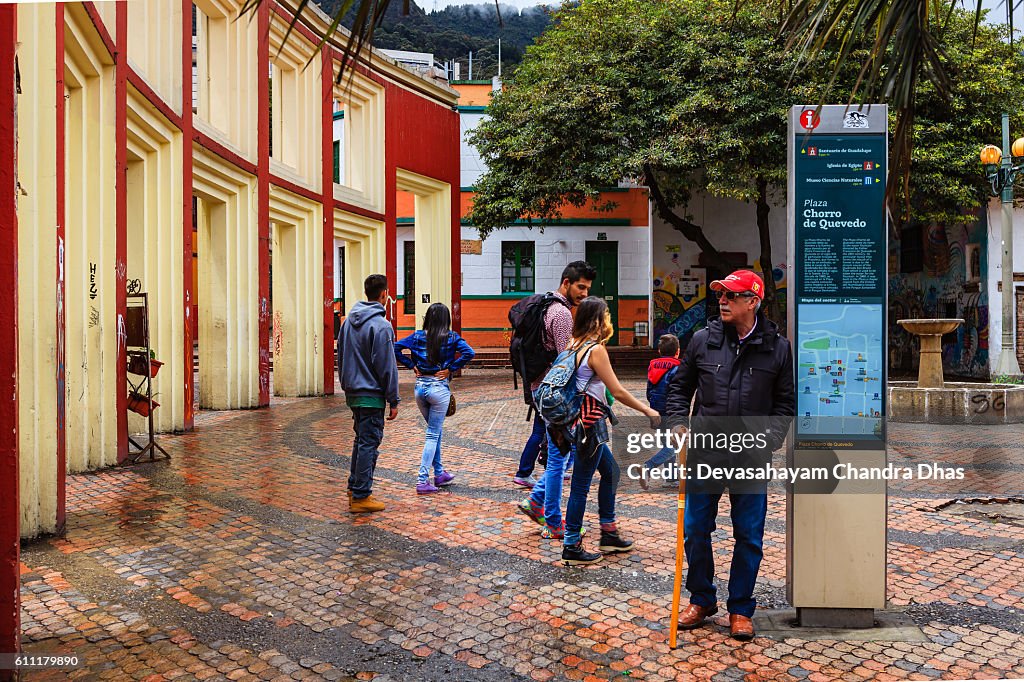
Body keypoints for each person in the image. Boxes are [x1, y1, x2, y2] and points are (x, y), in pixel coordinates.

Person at [664, 269, 794, 641]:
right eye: (720, 295)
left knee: (749, 535)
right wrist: (677, 425)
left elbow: (785, 404)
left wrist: (767, 441)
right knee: (694, 530)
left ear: (752, 302)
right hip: (704, 455)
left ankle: (740, 608)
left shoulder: (778, 348)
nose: (722, 300)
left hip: (750, 460)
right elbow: (679, 390)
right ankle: (702, 598)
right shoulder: (702, 341)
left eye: (731, 296)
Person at [556, 297, 661, 564]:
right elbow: (618, 391)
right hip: (588, 425)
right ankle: (571, 545)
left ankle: (609, 532)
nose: (609, 321)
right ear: (598, 319)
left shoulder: (571, 345)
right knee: (580, 486)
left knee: (611, 472)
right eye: (606, 316)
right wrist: (647, 410)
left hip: (580, 423)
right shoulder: (595, 350)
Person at [516, 261, 596, 537]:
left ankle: (538, 502)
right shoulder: (561, 314)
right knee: (559, 458)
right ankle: (552, 519)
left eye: (587, 289)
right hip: (555, 393)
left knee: (560, 454)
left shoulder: (548, 306)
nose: (584, 294)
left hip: (542, 387)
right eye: (580, 287)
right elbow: (567, 360)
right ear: (566, 283)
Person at [395, 303, 476, 494]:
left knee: (435, 431)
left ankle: (439, 473)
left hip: (420, 388)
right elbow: (469, 353)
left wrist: (411, 365)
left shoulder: (417, 336)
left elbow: (395, 347)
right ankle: (422, 479)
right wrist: (451, 368)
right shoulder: (451, 337)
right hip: (438, 389)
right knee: (433, 434)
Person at [337, 274, 401, 513]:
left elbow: (340, 356)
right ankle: (362, 495)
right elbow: (387, 366)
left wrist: (346, 385)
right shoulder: (381, 326)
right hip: (372, 395)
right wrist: (393, 398)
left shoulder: (347, 323)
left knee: (360, 440)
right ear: (384, 294)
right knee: (368, 443)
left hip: (354, 392)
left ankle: (355, 488)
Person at [638, 334, 682, 490]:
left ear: (659, 351)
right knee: (674, 446)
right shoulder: (678, 368)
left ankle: (670, 479)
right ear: (677, 351)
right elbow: (678, 393)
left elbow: (649, 390)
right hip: (672, 411)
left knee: (667, 443)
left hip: (656, 410)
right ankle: (648, 467)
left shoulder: (653, 366)